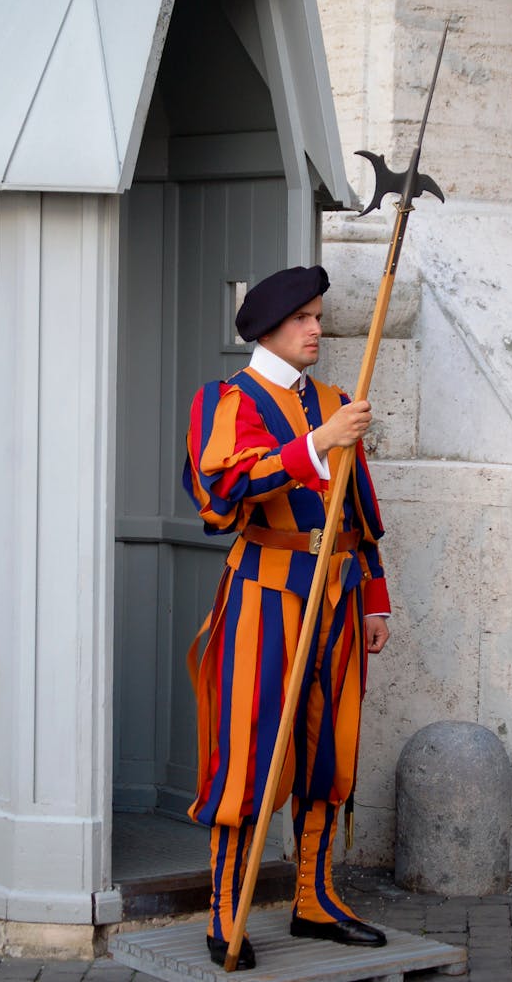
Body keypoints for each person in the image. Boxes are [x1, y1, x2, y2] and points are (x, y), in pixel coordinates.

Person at [183, 264, 391, 970]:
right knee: (248, 746)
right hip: (263, 594)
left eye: (317, 316)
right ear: (268, 327)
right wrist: (314, 445)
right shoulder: (227, 400)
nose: (316, 328)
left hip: (335, 594)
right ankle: (225, 907)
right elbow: (220, 491)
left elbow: (357, 512)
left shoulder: (334, 400)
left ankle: (313, 896)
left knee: (329, 743)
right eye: (303, 318)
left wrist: (374, 597)